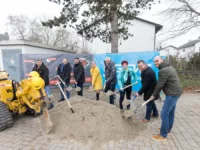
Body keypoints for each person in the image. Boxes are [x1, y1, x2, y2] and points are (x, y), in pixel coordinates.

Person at [150, 56, 182, 141]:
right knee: (170, 112)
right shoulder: (168, 67)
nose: (155, 62)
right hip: (176, 93)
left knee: (164, 113)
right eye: (154, 61)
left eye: (157, 61)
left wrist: (153, 95)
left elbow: (160, 85)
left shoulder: (163, 70)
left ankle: (163, 135)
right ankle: (167, 130)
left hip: (172, 94)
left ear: (161, 60)